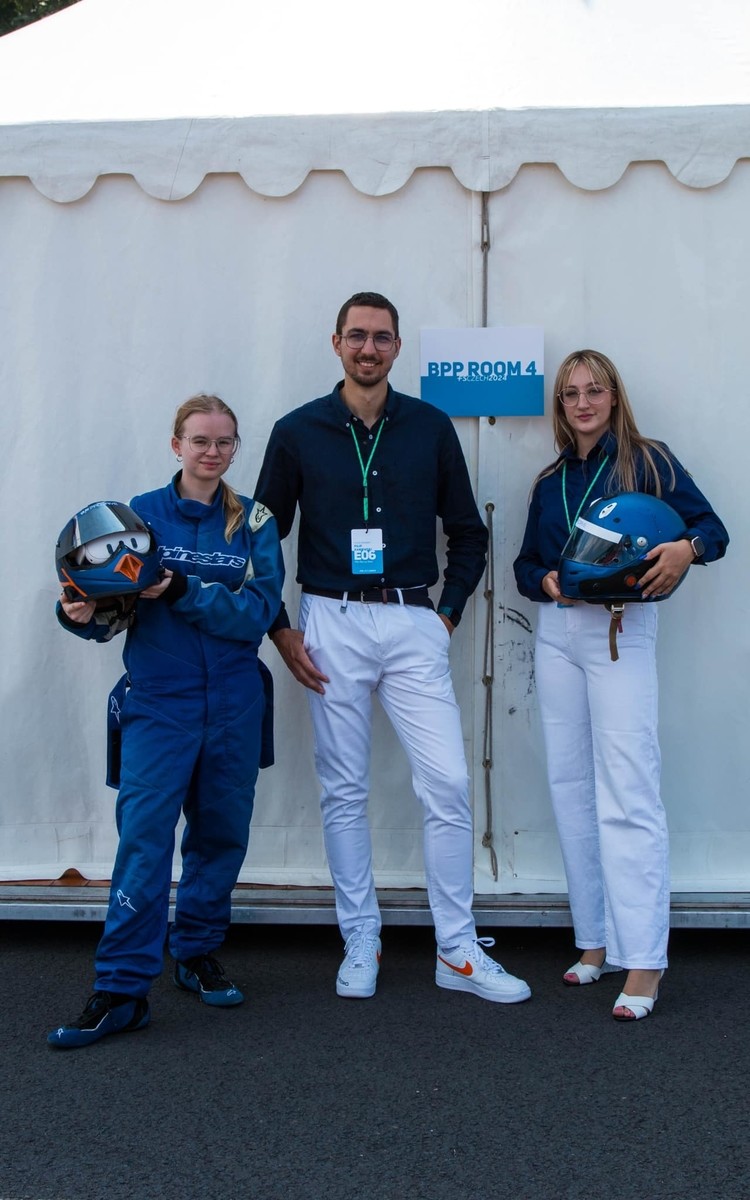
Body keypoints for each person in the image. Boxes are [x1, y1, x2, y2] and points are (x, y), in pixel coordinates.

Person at [254, 291, 530, 1004]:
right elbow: (260, 538)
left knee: (449, 784)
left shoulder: (429, 427)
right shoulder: (296, 431)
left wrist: (446, 616)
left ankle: (457, 950)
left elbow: (468, 533)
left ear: (398, 347)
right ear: (336, 343)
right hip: (330, 621)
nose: (368, 348)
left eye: (381, 337)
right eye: (356, 336)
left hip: (412, 620)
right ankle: (361, 938)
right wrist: (280, 628)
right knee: (343, 788)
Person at [48, 394, 284, 1048]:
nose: (212, 452)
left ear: (235, 448)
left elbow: (258, 613)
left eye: (224, 442)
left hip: (235, 701)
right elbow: (108, 610)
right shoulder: (137, 516)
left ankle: (196, 952)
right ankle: (122, 989)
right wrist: (78, 614)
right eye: (200, 440)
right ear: (176, 444)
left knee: (220, 835)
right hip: (159, 701)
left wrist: (179, 589)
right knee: (145, 842)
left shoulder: (255, 522)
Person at [513, 349, 728, 1020]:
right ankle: (595, 940)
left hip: (619, 628)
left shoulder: (649, 462)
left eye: (594, 390)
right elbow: (524, 564)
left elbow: (713, 530)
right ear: (560, 405)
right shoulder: (551, 481)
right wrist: (544, 579)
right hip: (557, 633)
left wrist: (685, 550)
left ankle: (645, 959)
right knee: (570, 786)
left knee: (628, 791)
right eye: (570, 393)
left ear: (614, 397)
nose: (582, 403)